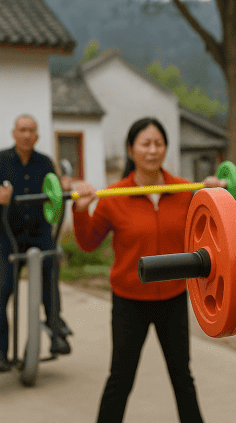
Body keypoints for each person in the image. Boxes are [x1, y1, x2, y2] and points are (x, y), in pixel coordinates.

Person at [72, 117, 224, 422]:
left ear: (166, 148)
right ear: (131, 149)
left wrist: (216, 194)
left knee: (183, 377)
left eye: (159, 143)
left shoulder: (186, 191)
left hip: (173, 297)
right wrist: (79, 210)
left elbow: (212, 234)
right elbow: (88, 243)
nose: (153, 150)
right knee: (121, 379)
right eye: (145, 144)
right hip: (129, 301)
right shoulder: (113, 197)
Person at [0, 115, 72, 372]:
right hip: (7, 233)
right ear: (14, 133)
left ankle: (56, 331)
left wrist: (63, 188)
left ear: (37, 135)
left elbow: (55, 193)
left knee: (49, 272)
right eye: (22, 130)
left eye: (31, 130)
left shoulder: (45, 162)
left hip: (39, 232)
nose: (27, 135)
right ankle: (0, 352)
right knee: (2, 286)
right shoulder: (1, 160)